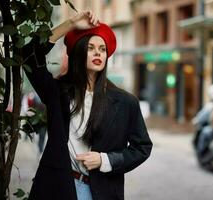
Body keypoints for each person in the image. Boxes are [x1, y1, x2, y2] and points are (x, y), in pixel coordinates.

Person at [22, 11, 152, 200]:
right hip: (57, 187)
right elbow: (29, 55)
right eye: (90, 47)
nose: (98, 53)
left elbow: (142, 147)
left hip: (103, 191)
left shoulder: (126, 102)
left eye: (102, 49)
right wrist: (71, 23)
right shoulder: (57, 92)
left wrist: (104, 160)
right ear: (78, 53)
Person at [192, 84, 213, 155]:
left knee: (204, 133)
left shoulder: (210, 106)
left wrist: (196, 120)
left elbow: (201, 117)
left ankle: (202, 152)